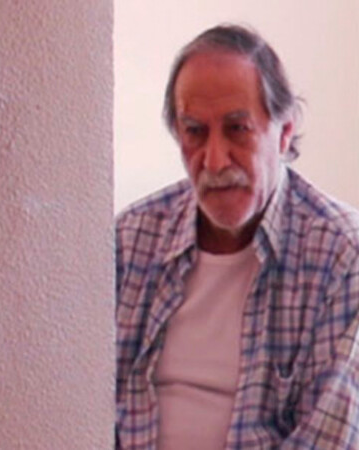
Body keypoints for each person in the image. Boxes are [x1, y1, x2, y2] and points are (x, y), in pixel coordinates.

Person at [116, 24, 359, 449]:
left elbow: (327, 440)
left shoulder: (342, 255)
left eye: (237, 129)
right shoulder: (131, 239)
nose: (214, 160)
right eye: (194, 132)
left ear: (284, 132)